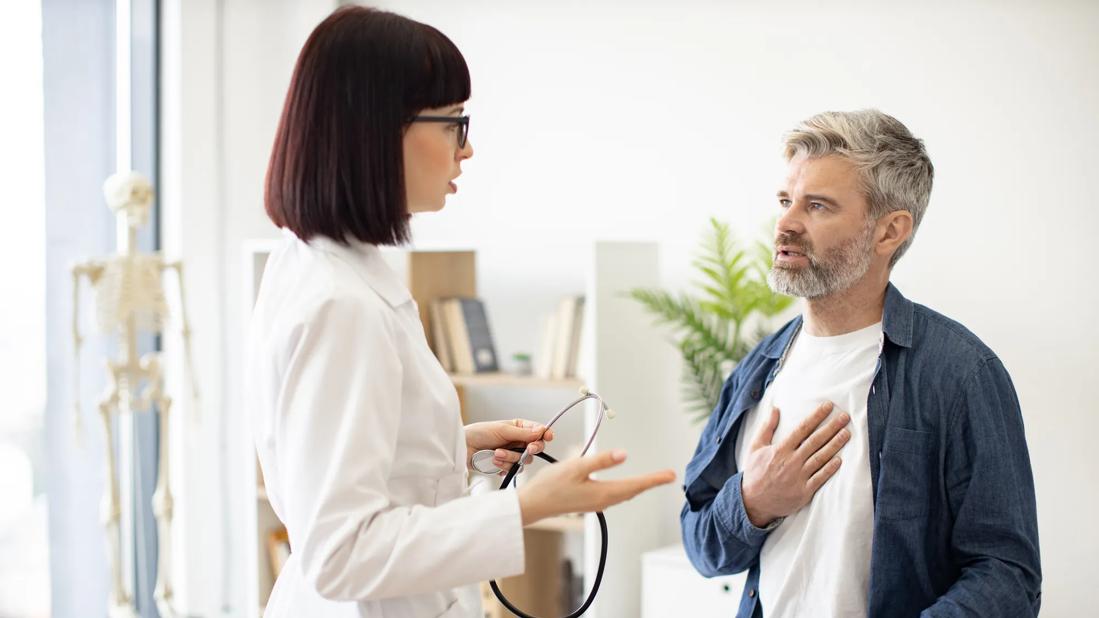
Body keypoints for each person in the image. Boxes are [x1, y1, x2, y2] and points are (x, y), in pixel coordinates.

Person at [247, 7, 675, 617]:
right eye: (454, 123)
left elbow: (348, 464)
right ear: (377, 130)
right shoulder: (341, 304)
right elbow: (341, 552)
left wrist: (456, 445)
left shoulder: (316, 263)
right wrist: (527, 505)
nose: (467, 149)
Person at [680, 110, 1041, 617]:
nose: (785, 223)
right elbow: (700, 546)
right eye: (785, 201)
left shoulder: (961, 375)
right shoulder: (757, 370)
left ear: (889, 231)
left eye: (817, 206)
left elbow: (1009, 577)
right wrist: (752, 503)